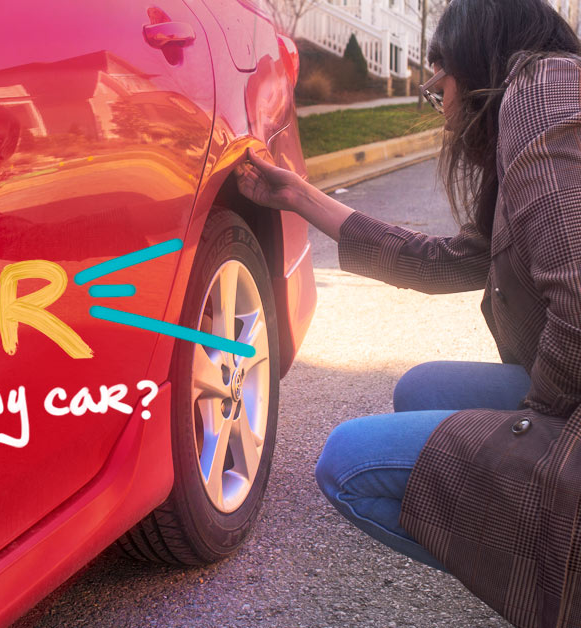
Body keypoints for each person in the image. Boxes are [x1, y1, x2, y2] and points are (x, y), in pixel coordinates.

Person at [234, 0, 581, 625]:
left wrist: (531, 438)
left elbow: (580, 304)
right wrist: (305, 200)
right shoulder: (534, 110)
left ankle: (555, 585)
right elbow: (452, 260)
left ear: (478, 64)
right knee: (421, 389)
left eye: (438, 84)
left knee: (350, 463)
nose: (440, 105)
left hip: (572, 408)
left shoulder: (541, 94)